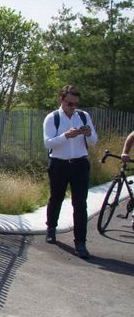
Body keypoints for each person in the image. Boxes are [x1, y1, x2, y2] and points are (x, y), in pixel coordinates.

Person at [43, 85, 98, 259]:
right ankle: (51, 228)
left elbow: (94, 141)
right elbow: (48, 143)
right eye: (69, 104)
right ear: (61, 100)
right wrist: (66, 135)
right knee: (56, 197)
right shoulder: (52, 118)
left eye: (75, 104)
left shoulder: (83, 116)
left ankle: (80, 242)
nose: (73, 107)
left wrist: (88, 133)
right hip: (59, 164)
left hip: (80, 164)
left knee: (80, 203)